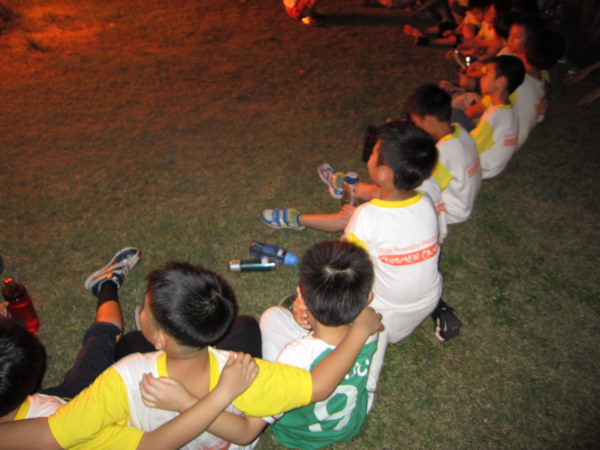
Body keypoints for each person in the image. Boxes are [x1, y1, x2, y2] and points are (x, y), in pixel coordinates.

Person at [0, 260, 383, 448]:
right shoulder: (247, 371)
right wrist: (360, 329)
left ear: (160, 338)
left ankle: (108, 290)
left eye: (145, 309)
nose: (142, 310)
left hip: (147, 391)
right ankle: (108, 289)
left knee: (126, 342)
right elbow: (317, 385)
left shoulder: (125, 377)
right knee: (249, 326)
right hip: (225, 391)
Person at [0, 247, 142, 422]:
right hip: (67, 402)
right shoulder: (66, 417)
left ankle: (106, 282)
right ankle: (107, 283)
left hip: (26, 402)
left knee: (104, 337)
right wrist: (11, 326)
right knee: (104, 335)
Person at [405, 84, 481, 224]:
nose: (415, 126)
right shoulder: (460, 130)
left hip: (452, 210)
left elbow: (422, 188)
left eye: (415, 122)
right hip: (466, 196)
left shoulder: (443, 153)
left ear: (428, 121)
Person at [465, 55, 525, 179]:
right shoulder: (507, 107)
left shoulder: (494, 115)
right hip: (494, 166)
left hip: (480, 168)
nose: (482, 78)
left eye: (486, 74)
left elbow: (471, 146)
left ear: (500, 82)